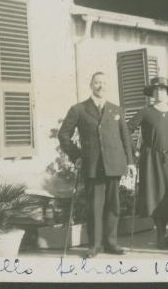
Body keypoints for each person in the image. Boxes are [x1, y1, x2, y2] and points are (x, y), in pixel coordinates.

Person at [58, 72, 136, 258]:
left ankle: (111, 243)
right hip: (93, 166)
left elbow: (126, 138)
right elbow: (63, 135)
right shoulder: (78, 109)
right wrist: (77, 156)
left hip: (114, 165)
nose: (100, 86)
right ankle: (95, 245)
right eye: (97, 83)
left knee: (113, 206)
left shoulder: (116, 110)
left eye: (103, 83)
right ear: (91, 85)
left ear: (107, 86)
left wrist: (130, 162)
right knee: (94, 207)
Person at [128, 76, 168, 249]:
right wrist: (134, 151)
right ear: (152, 93)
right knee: (155, 196)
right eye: (156, 90)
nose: (159, 93)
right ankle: (161, 234)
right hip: (151, 160)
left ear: (167, 93)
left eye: (162, 90)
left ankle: (165, 233)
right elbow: (127, 129)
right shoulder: (145, 112)